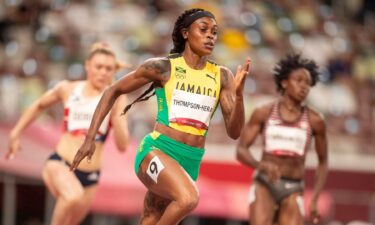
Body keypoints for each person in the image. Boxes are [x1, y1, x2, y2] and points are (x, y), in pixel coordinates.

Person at [70, 8, 250, 225]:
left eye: (214, 32)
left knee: (151, 218)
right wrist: (90, 138)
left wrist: (239, 97)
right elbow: (112, 91)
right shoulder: (164, 67)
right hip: (157, 151)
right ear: (185, 33)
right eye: (203, 30)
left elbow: (234, 132)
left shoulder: (222, 76)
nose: (210, 35)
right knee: (188, 199)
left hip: (191, 160)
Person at [5, 42, 130, 225]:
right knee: (72, 196)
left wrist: (118, 107)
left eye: (108, 69)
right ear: (87, 66)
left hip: (91, 177)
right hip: (60, 164)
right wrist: (16, 133)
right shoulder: (69, 89)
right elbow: (39, 105)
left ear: (113, 72)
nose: (103, 72)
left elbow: (122, 146)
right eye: (99, 67)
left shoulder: (115, 98)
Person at [236, 53, 328, 225]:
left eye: (308, 83)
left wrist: (315, 198)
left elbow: (323, 163)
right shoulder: (264, 112)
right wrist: (260, 165)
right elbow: (241, 150)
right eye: (298, 80)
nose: (304, 87)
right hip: (265, 184)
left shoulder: (316, 120)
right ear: (284, 82)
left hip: (294, 187)